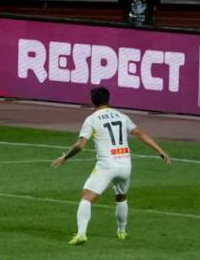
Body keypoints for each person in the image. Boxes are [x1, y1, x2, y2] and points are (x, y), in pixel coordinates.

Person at [51, 86, 171, 245]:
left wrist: (65, 157)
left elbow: (80, 145)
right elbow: (140, 133)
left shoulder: (92, 119)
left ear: (92, 101)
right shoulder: (122, 116)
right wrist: (161, 151)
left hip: (107, 165)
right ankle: (122, 232)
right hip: (125, 164)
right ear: (108, 100)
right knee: (121, 197)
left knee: (86, 198)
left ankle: (81, 234)